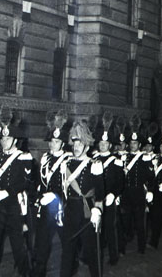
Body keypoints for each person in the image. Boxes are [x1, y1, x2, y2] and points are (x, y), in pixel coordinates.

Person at [0, 107, 32, 277]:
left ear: (15, 139)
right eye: (2, 138)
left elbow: (24, 182)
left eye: (7, 138)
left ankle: (25, 273)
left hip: (14, 206)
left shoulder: (23, 157)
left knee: (18, 244)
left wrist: (7, 192)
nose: (4, 141)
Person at [60, 119, 104, 277]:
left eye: (80, 143)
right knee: (67, 252)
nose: (76, 147)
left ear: (87, 145)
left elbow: (100, 191)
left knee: (91, 253)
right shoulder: (67, 164)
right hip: (70, 213)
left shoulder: (94, 164)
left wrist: (97, 210)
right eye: (75, 143)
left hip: (87, 213)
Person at [32, 110, 70, 277]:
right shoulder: (45, 158)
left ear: (62, 143)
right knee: (42, 241)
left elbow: (69, 186)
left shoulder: (68, 160)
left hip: (61, 206)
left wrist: (55, 196)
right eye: (52, 141)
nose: (53, 144)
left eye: (56, 142)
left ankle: (71, 266)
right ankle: (38, 271)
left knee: (66, 240)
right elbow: (41, 182)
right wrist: (39, 197)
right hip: (45, 206)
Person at [92, 112, 125, 266]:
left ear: (110, 145)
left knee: (110, 228)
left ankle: (113, 256)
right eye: (101, 143)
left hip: (109, 198)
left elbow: (120, 182)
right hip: (96, 198)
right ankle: (95, 255)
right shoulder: (93, 159)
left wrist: (114, 194)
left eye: (105, 144)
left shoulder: (116, 161)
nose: (103, 145)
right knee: (96, 228)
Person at [120, 116, 152, 254]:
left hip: (138, 192)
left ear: (139, 145)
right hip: (126, 193)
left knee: (140, 222)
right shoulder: (124, 157)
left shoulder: (144, 158)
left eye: (135, 143)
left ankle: (141, 247)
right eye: (131, 143)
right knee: (125, 222)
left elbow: (150, 177)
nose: (133, 145)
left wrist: (150, 191)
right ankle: (122, 248)